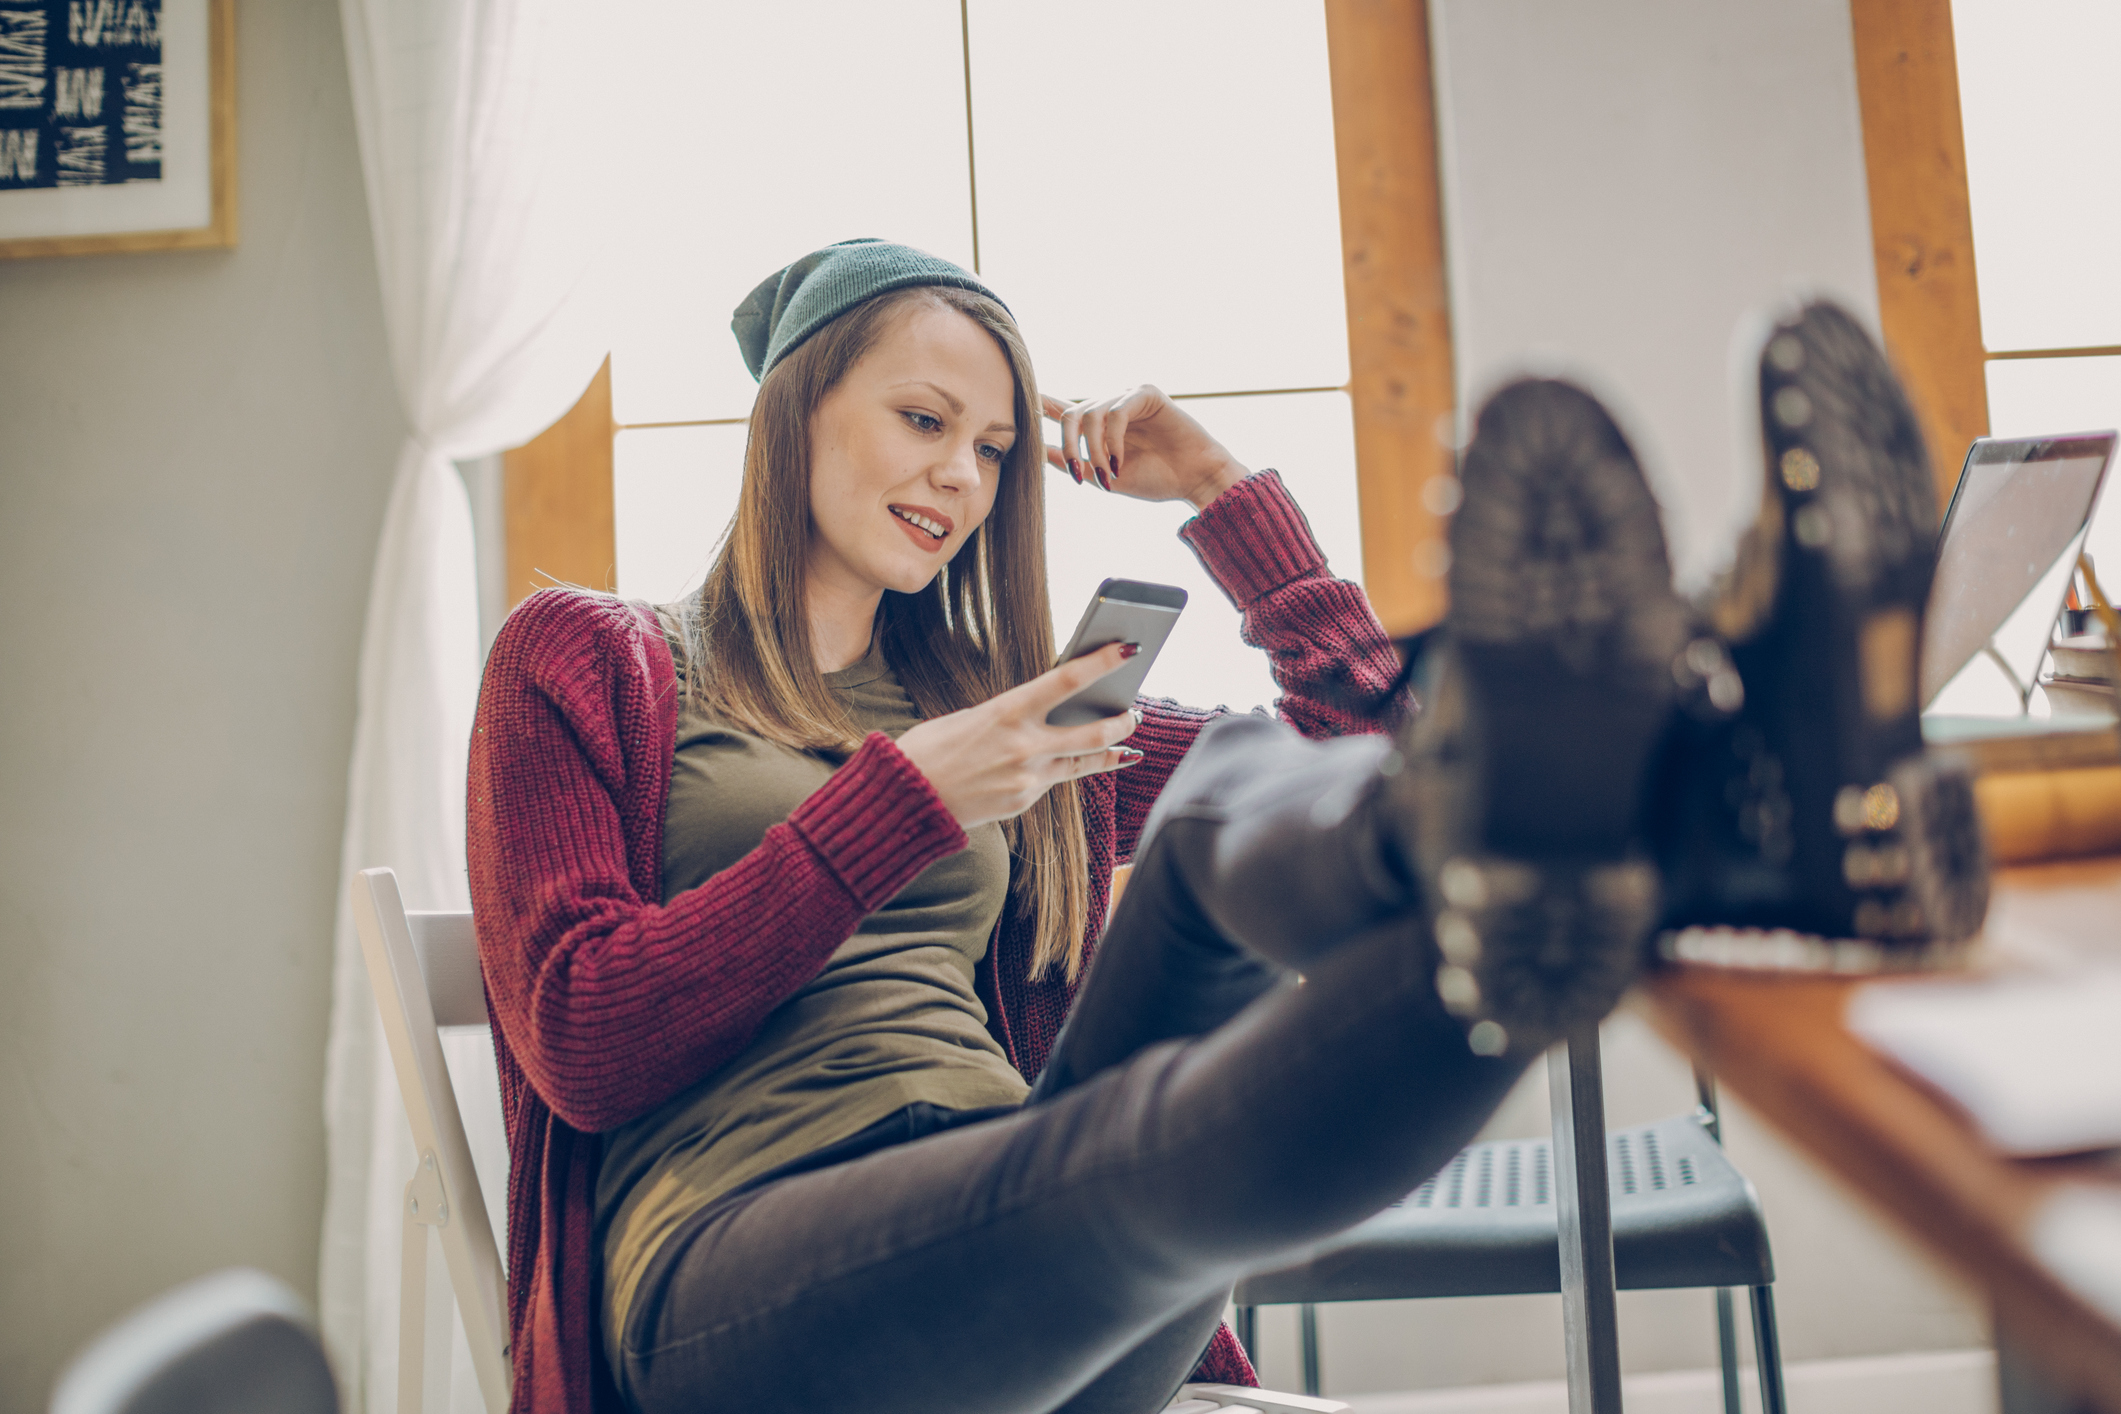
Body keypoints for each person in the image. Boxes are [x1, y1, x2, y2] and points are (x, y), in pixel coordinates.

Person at [467, 241, 1986, 1414]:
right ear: (795, 411)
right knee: (1128, 1150)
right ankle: (1720, 818)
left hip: (1028, 1228)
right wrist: (904, 799)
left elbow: (1358, 744)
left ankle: (1705, 798)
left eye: (993, 446)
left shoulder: (992, 711)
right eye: (924, 419)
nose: (960, 474)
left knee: (1237, 797)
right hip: (737, 1285)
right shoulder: (592, 659)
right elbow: (583, 1037)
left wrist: (1217, 490)